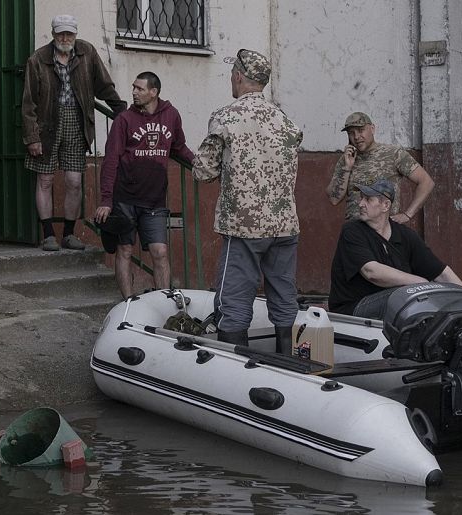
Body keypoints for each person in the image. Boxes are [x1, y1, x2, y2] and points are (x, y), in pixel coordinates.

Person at [192, 49, 303, 352]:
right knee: (284, 297)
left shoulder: (226, 117)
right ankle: (290, 365)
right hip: (284, 226)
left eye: (232, 74)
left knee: (234, 302)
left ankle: (236, 374)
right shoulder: (286, 121)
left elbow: (203, 170)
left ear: (239, 76)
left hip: (244, 227)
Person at [22, 14, 127, 251]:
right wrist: (32, 137)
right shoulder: (38, 59)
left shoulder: (86, 52)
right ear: (53, 34)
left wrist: (120, 109)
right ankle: (48, 234)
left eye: (69, 33)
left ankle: (69, 233)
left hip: (77, 121)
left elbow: (103, 84)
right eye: (61, 33)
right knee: (45, 179)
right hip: (46, 123)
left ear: (75, 34)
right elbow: (29, 103)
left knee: (74, 180)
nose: (65, 38)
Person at [94, 71, 194, 298]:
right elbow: (111, 160)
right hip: (124, 198)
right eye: (134, 87)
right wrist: (106, 200)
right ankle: (128, 302)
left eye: (139, 88)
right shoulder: (124, 120)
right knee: (125, 250)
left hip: (154, 199)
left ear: (153, 92)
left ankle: (164, 303)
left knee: (160, 252)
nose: (134, 92)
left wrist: (197, 163)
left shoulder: (171, 115)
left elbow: (180, 147)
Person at [328, 179, 462, 318]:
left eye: (368, 199)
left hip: (394, 307)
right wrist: (421, 283)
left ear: (386, 205)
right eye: (361, 198)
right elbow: (371, 272)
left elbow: (442, 274)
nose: (361, 203)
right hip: (352, 310)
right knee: (407, 296)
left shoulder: (405, 235)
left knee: (413, 297)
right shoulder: (352, 230)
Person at [325, 112, 435, 224]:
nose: (356, 137)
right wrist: (347, 168)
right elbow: (334, 199)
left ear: (372, 129)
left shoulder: (393, 153)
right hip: (354, 232)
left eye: (361, 130)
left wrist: (407, 215)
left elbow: (426, 182)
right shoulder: (347, 159)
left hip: (383, 231)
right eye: (351, 133)